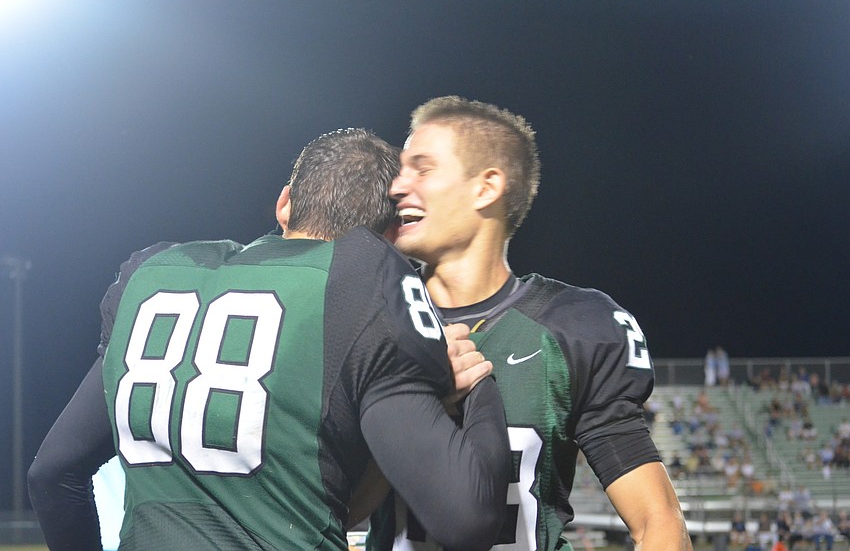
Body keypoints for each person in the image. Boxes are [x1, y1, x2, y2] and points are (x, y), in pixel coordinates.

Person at [27, 128, 512, 550]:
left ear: (285, 203)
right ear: (389, 236)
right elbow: (466, 521)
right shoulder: (366, 278)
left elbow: (52, 474)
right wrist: (477, 385)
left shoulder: (152, 272)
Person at [367, 96, 691, 549]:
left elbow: (657, 521)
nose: (397, 187)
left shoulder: (572, 327)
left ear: (487, 187)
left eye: (422, 168)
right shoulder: (367, 317)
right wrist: (414, 407)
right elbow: (335, 509)